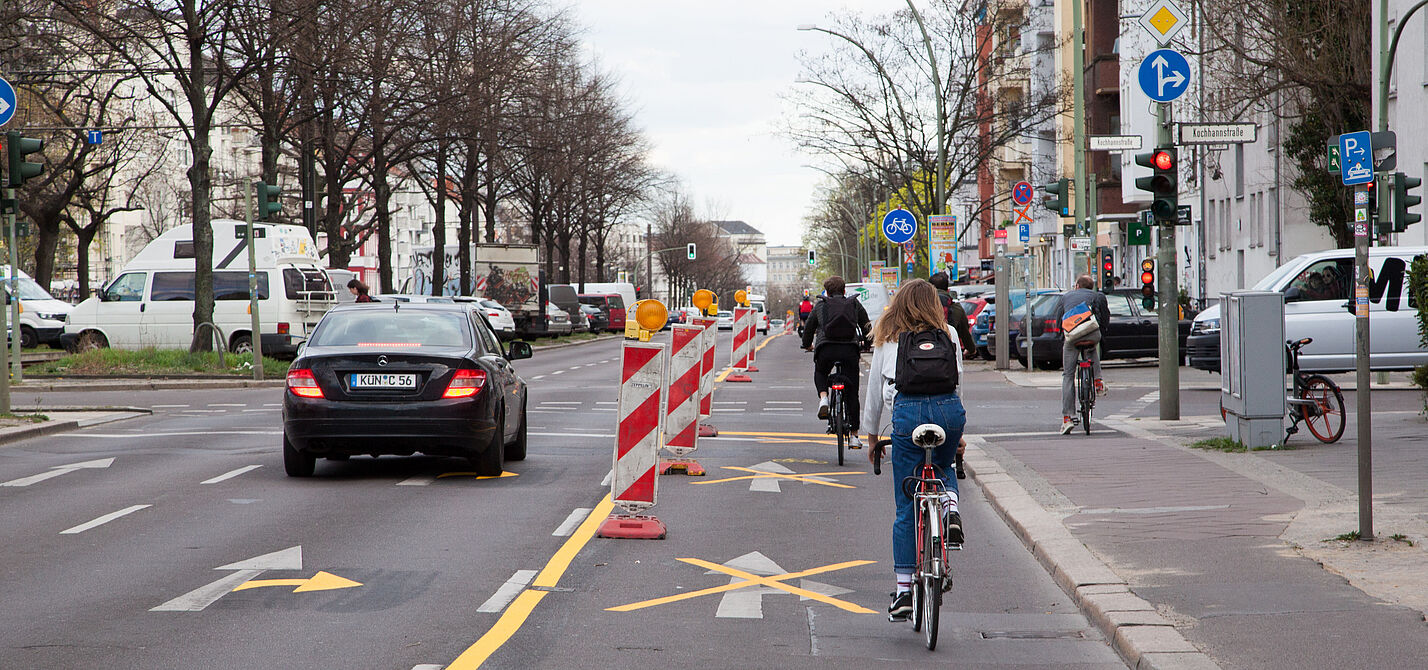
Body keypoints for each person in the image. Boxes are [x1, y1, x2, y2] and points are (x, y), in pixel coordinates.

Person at [862, 278, 966, 621]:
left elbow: (876, 392)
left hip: (907, 416)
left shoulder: (888, 337)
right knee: (944, 466)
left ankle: (905, 592)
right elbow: (958, 380)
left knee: (907, 504)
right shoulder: (948, 333)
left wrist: (873, 436)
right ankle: (950, 507)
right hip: (949, 412)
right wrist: (958, 433)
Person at [801, 276, 872, 449]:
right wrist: (867, 344)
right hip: (849, 350)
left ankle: (824, 398)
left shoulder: (821, 305)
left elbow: (809, 327)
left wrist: (807, 344)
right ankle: (854, 435)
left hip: (826, 348)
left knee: (821, 372)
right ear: (844, 290)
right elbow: (867, 326)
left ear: (826, 291)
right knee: (852, 392)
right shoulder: (854, 304)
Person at [1057, 275, 1111, 434]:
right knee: (1092, 347)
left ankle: (1068, 418)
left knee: (1068, 375)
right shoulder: (1097, 296)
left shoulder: (1066, 296)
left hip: (1072, 336)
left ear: (1077, 285)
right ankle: (1098, 381)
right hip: (1091, 333)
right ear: (1091, 287)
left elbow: (1058, 318)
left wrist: (1063, 335)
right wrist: (1102, 332)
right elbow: (1105, 318)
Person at [928, 273, 974, 354]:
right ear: (948, 289)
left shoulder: (922, 306)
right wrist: (971, 349)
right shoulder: (956, 307)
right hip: (948, 352)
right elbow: (965, 333)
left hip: (924, 351)